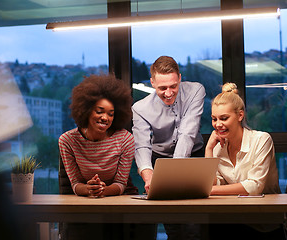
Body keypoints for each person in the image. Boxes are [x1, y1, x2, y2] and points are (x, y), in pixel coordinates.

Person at [58, 74, 155, 240]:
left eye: (111, 114)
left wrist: (103, 191)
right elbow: (74, 183)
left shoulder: (125, 139)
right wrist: (89, 190)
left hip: (120, 198)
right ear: (86, 110)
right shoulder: (67, 141)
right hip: (85, 199)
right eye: (99, 111)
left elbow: (120, 183)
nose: (105, 118)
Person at [132, 56, 206, 239]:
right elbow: (141, 146)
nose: (168, 93)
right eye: (162, 88)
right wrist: (148, 177)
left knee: (195, 221)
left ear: (180, 78)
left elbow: (187, 134)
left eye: (173, 86)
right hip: (160, 160)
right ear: (152, 82)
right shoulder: (140, 108)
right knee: (172, 222)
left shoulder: (196, 91)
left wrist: (174, 174)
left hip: (194, 156)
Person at [205, 82, 284, 240]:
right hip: (230, 220)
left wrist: (209, 191)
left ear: (240, 115)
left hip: (262, 223)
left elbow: (254, 186)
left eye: (224, 118)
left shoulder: (261, 140)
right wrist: (208, 149)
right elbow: (212, 183)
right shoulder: (217, 147)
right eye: (214, 119)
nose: (218, 124)